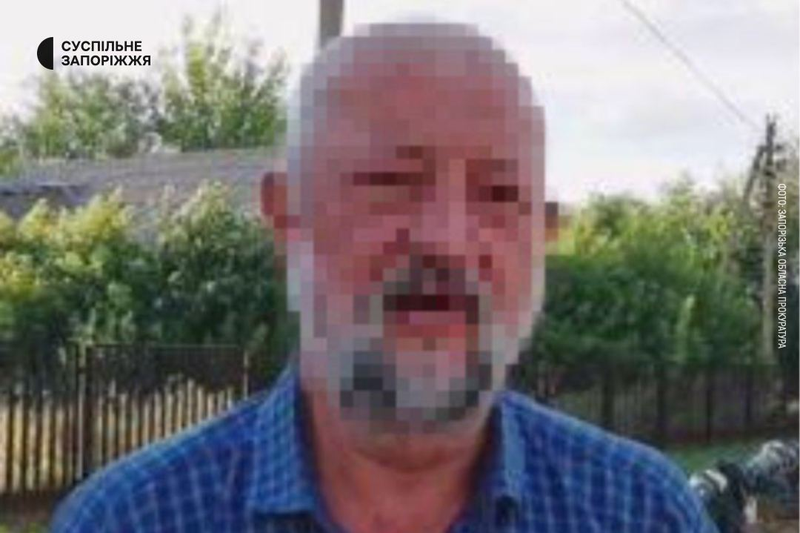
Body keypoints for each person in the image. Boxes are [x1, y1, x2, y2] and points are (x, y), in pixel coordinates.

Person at [51, 22, 717, 533]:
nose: (448, 241)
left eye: (499, 193)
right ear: (286, 217)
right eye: (392, 182)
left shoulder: (641, 511)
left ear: (543, 237)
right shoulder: (130, 518)